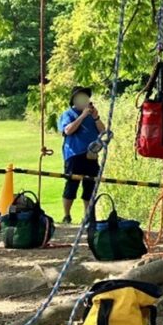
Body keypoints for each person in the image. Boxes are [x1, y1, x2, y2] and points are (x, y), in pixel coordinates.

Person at [58, 85, 105, 224]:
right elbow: (68, 130)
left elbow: (103, 132)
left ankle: (88, 216)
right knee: (72, 185)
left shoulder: (92, 116)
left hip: (91, 154)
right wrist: (83, 115)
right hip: (74, 154)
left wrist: (96, 117)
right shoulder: (68, 114)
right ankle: (67, 215)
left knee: (90, 186)